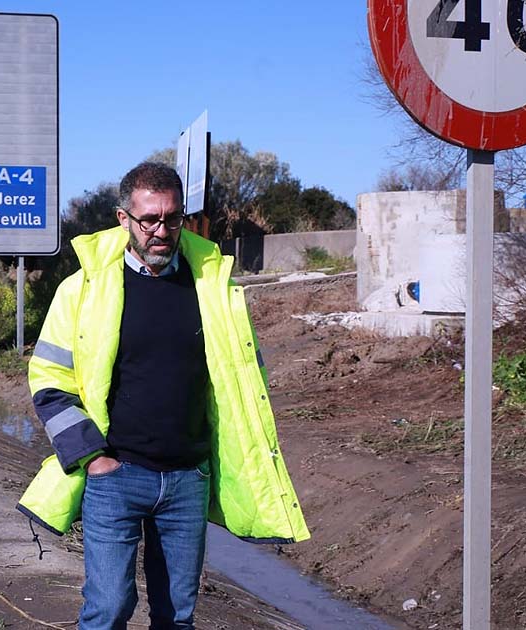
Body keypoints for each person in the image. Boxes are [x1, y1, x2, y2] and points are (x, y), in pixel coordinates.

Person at [17, 162, 310, 629]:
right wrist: (93, 458)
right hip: (115, 475)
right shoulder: (83, 291)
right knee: (108, 609)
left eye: (172, 219)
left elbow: (245, 380)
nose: (161, 230)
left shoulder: (214, 290)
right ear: (123, 219)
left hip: (187, 480)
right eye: (149, 219)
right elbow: (50, 380)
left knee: (177, 618)